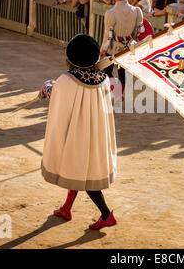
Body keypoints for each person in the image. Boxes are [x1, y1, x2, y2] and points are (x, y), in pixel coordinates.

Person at [39, 34, 117, 230]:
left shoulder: (67, 80)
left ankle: (106, 215)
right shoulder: (104, 79)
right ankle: (66, 207)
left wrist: (47, 88)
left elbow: (58, 98)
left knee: (85, 174)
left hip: (78, 132)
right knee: (76, 167)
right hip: (95, 133)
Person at [100, 0, 144, 90]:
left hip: (112, 46)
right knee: (123, 73)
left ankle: (116, 92)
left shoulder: (110, 13)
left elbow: (108, 35)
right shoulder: (137, 11)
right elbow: (141, 31)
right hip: (128, 45)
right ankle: (121, 94)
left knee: (106, 71)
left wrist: (102, 49)